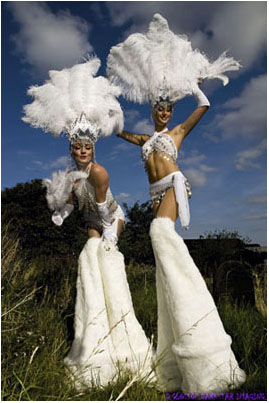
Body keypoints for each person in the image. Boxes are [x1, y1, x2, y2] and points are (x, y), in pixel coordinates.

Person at [107, 13, 246, 393]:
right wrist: (106, 112)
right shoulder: (144, 140)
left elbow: (203, 107)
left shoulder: (178, 133)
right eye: (160, 108)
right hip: (154, 196)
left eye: (168, 108)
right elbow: (118, 131)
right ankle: (177, 329)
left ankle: (197, 310)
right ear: (152, 109)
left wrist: (194, 85)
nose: (165, 112)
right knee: (161, 251)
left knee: (158, 231)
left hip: (173, 185)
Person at [22, 57, 154, 389]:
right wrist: (60, 214)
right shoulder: (70, 175)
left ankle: (120, 333)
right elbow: (69, 204)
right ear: (72, 148)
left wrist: (111, 235)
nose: (82, 150)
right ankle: (93, 325)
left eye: (87, 146)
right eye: (77, 146)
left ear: (93, 148)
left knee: (105, 257)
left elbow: (104, 212)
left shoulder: (99, 173)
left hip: (111, 216)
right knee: (87, 258)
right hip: (90, 221)